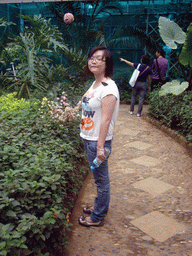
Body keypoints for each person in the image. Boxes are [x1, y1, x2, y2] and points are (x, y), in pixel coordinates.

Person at [79, 46, 120, 227]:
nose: (93, 61)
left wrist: (101, 148)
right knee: (98, 178)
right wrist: (71, 110)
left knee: (101, 181)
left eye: (99, 59)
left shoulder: (109, 88)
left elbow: (106, 120)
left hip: (97, 142)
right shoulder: (96, 83)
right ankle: (98, 206)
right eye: (91, 58)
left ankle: (97, 217)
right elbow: (85, 100)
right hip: (89, 139)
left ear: (107, 64)